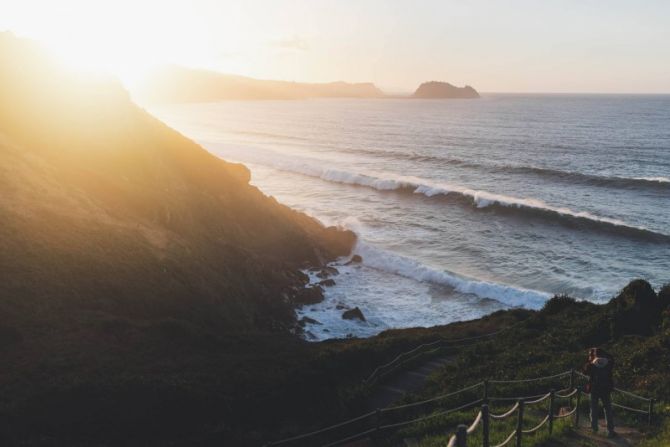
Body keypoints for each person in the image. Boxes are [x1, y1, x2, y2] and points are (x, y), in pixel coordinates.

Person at [583, 347, 615, 437]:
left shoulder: (591, 364)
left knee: (594, 409)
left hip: (594, 389)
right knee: (608, 409)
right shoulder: (609, 363)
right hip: (606, 389)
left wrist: (590, 358)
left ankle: (594, 429)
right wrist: (606, 354)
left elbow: (585, 372)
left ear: (594, 354)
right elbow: (612, 359)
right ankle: (610, 430)